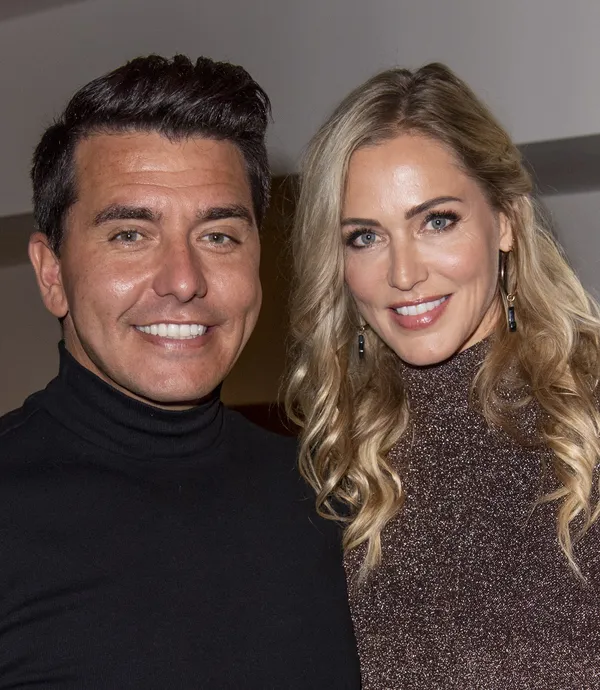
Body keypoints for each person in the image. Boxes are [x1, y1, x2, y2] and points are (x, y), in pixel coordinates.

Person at [0, 55, 360, 688]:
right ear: (51, 273)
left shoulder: (335, 498)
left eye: (218, 236)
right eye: (130, 235)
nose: (185, 281)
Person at [286, 62, 600, 689]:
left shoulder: (588, 422)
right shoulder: (334, 465)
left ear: (505, 220)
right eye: (365, 237)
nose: (404, 274)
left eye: (436, 221)